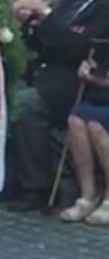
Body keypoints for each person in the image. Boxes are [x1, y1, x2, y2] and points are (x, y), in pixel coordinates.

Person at [9, 0, 109, 213]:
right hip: (48, 68)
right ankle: (10, 179)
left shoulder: (105, 6)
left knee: (26, 104)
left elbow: (82, 47)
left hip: (80, 81)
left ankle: (36, 186)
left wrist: (48, 18)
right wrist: (33, 24)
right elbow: (54, 42)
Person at [60, 36, 109, 224]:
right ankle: (88, 195)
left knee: (97, 127)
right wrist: (87, 69)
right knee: (76, 121)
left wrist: (100, 79)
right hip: (100, 96)